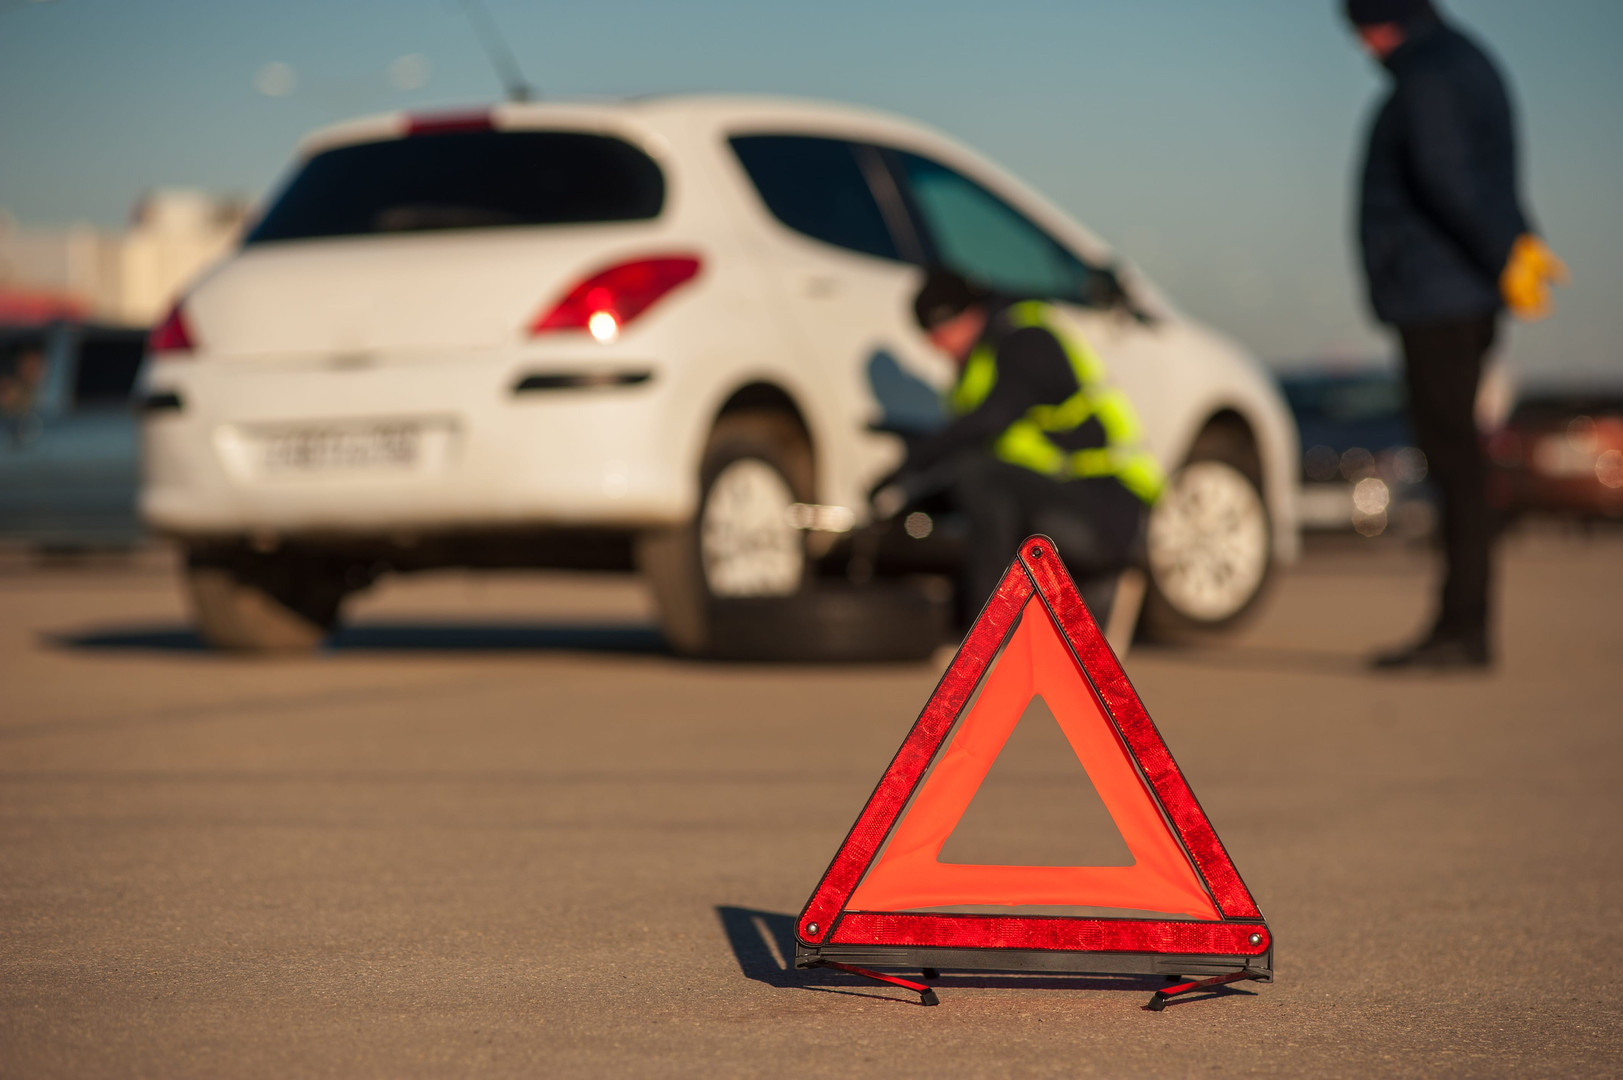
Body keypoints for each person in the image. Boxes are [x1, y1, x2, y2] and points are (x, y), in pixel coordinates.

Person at [1344, 0, 1567, 670]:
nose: (1363, 47)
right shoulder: (1459, 62)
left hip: (1439, 294)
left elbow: (1448, 178)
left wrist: (1503, 250)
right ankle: (1459, 625)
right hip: (1454, 289)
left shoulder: (1431, 74)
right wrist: (1511, 249)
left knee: (1454, 461)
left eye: (1363, 28)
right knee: (1456, 457)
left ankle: (1460, 629)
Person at [872, 268, 1162, 626]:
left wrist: (906, 468)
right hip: (1069, 499)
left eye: (937, 332)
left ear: (966, 316)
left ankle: (990, 629)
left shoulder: (1027, 340)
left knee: (977, 474)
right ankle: (994, 619)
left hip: (1109, 508)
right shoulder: (980, 362)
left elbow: (988, 422)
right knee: (969, 480)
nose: (934, 346)